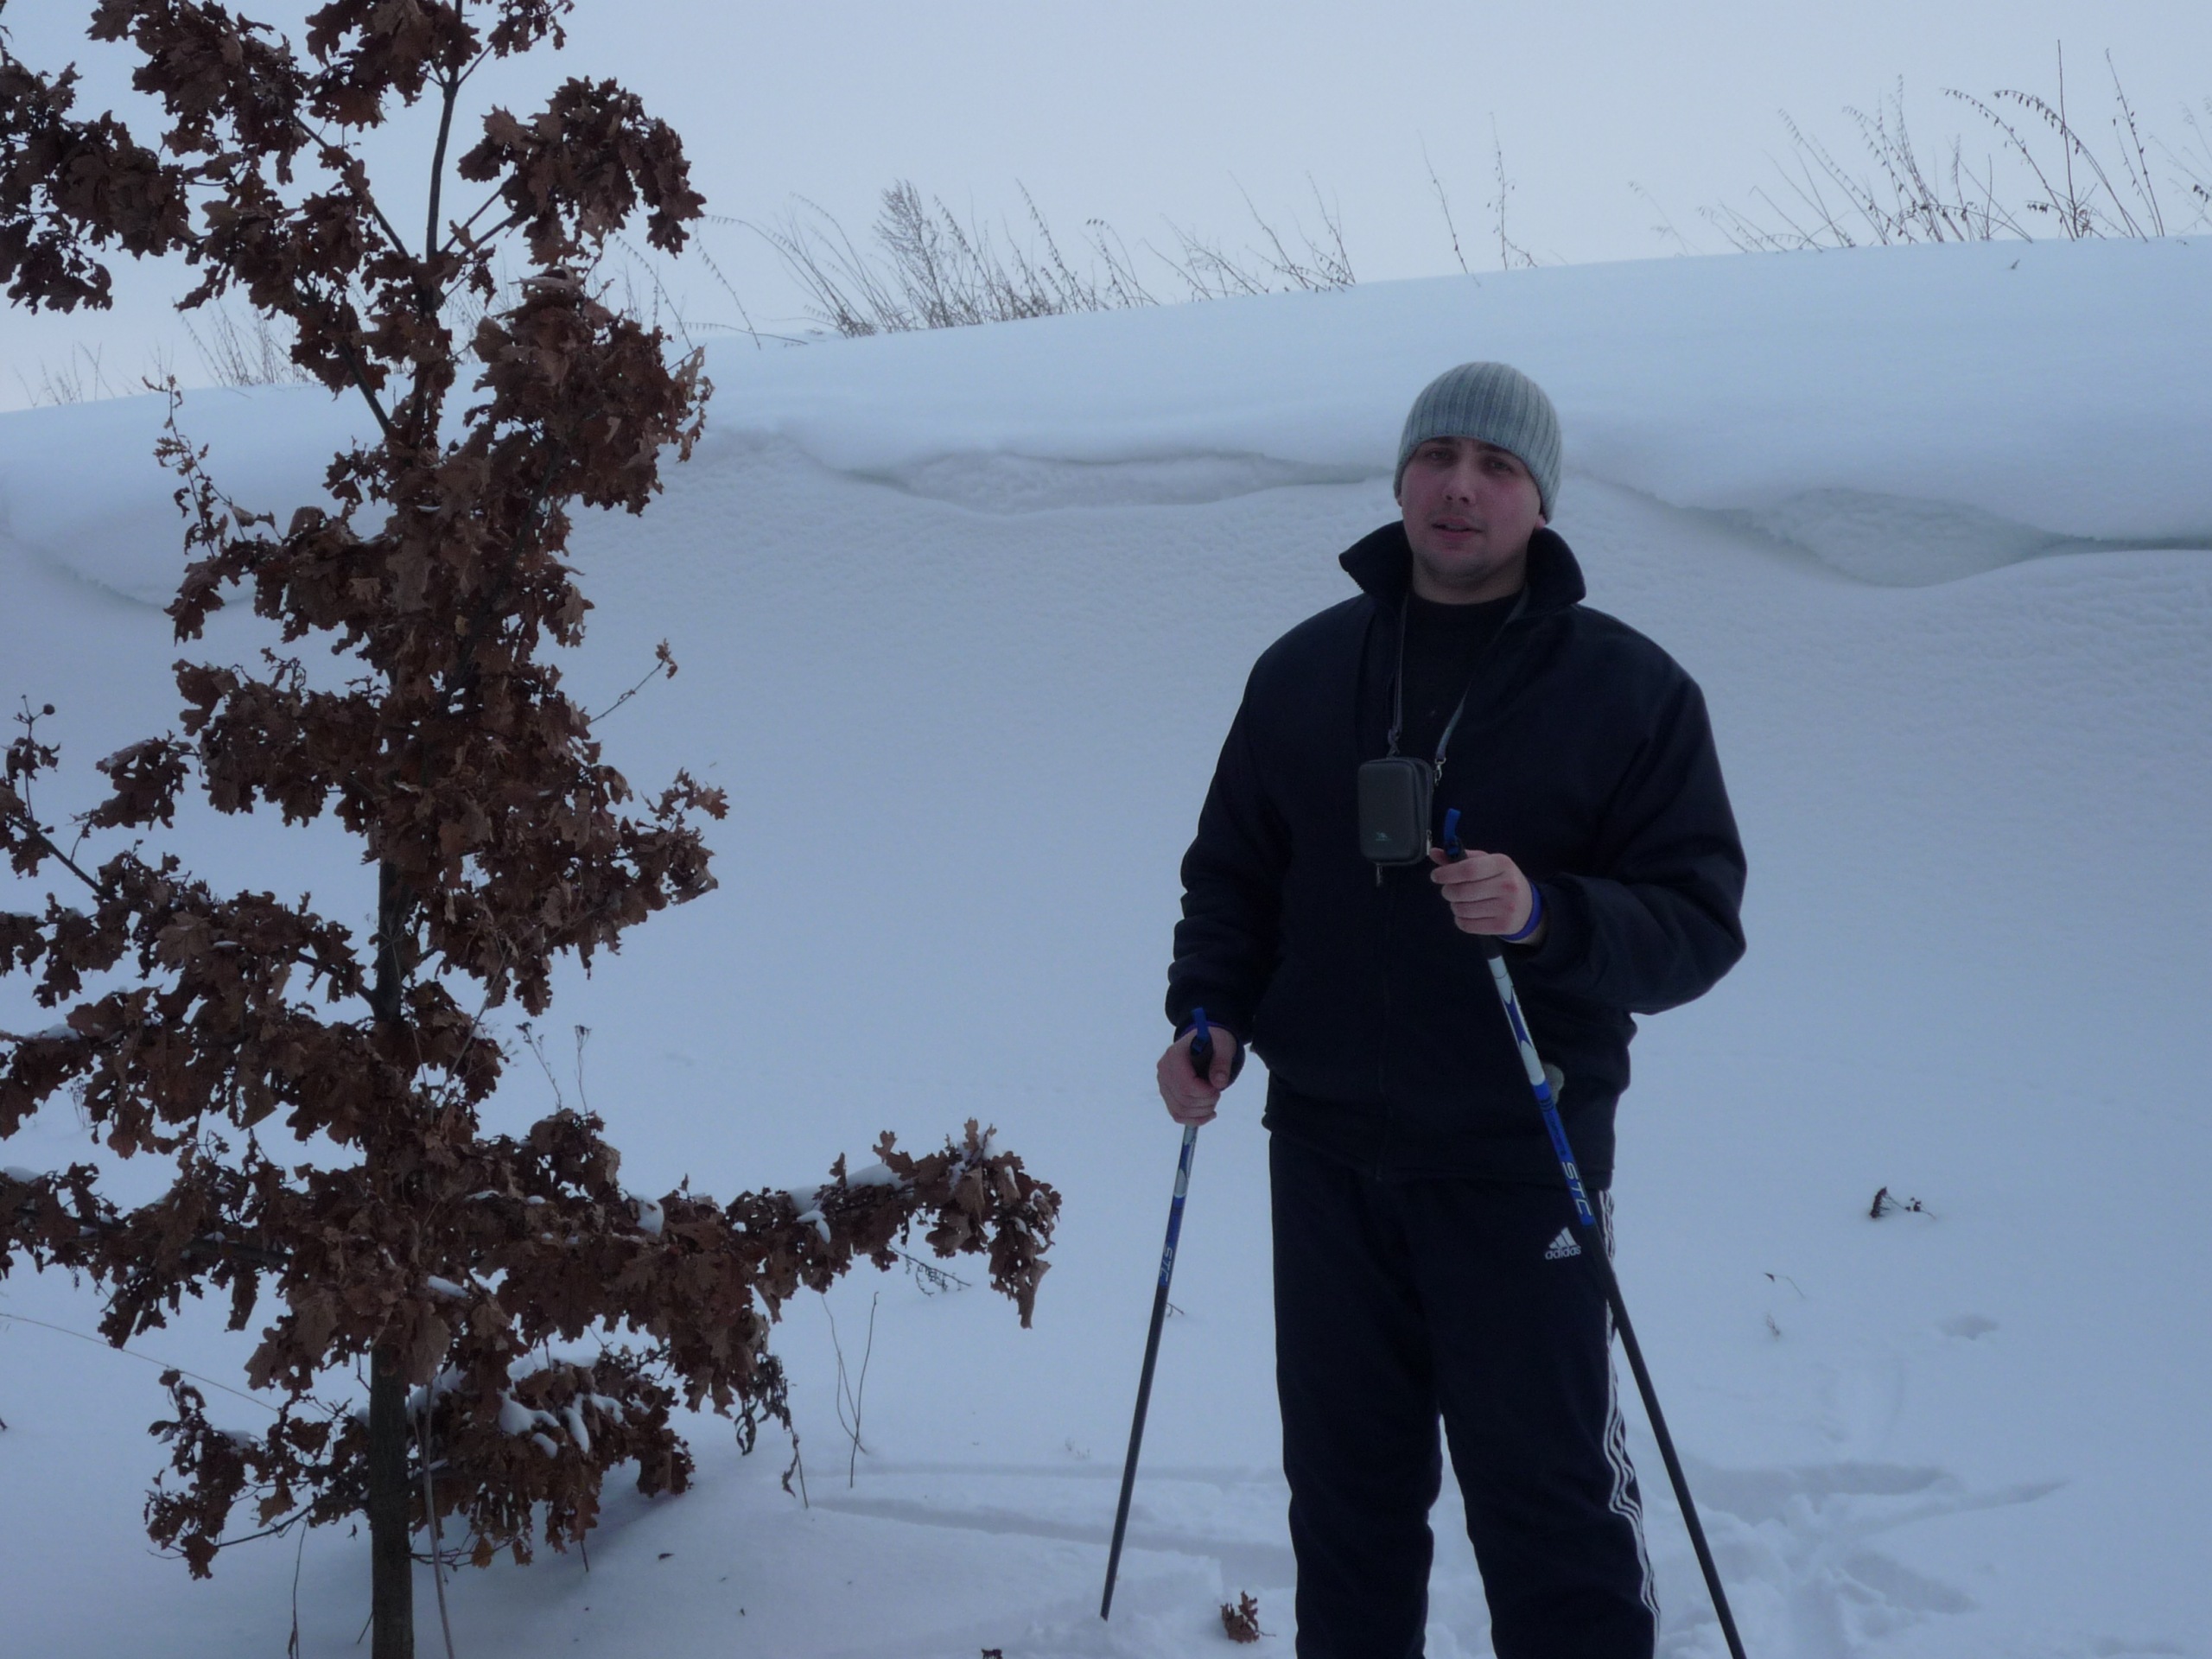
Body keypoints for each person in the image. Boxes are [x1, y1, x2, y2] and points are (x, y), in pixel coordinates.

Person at [1157, 362, 1746, 1658]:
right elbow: (1233, 876)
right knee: (1347, 1500)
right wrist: (1212, 1015)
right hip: (1326, 1155)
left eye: (1498, 466)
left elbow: (1699, 925)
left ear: (1541, 500)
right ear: (1401, 479)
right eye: (1439, 457)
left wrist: (1547, 915)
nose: (1461, 487)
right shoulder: (1306, 670)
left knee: (1548, 1504)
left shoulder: (1630, 691)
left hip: (1518, 1160)